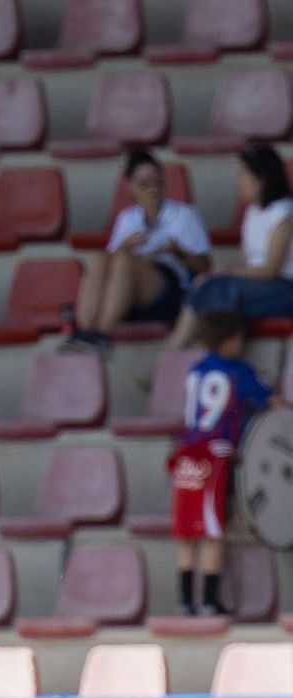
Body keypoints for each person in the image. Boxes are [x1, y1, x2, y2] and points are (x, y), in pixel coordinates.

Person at [169, 310, 273, 618]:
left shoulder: (196, 370)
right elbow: (271, 400)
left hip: (187, 452)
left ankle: (185, 601)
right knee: (214, 531)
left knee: (188, 532)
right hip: (215, 454)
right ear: (231, 341)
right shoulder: (238, 372)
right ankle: (211, 602)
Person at [68, 148, 211, 352]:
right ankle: (84, 331)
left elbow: (205, 267)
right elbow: (109, 264)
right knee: (101, 258)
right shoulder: (127, 218)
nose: (152, 189)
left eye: (157, 182)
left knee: (125, 262)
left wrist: (179, 252)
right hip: (128, 294)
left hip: (170, 292)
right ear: (131, 187)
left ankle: (101, 333)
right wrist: (124, 246)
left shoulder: (184, 215)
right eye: (144, 184)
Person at [170, 145, 293, 349]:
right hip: (258, 286)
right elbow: (248, 263)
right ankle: (180, 359)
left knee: (220, 290)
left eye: (243, 176)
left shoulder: (284, 213)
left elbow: (270, 270)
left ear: (261, 179)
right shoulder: (252, 212)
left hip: (285, 288)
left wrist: (226, 272)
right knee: (207, 290)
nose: (239, 183)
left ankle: (170, 358)